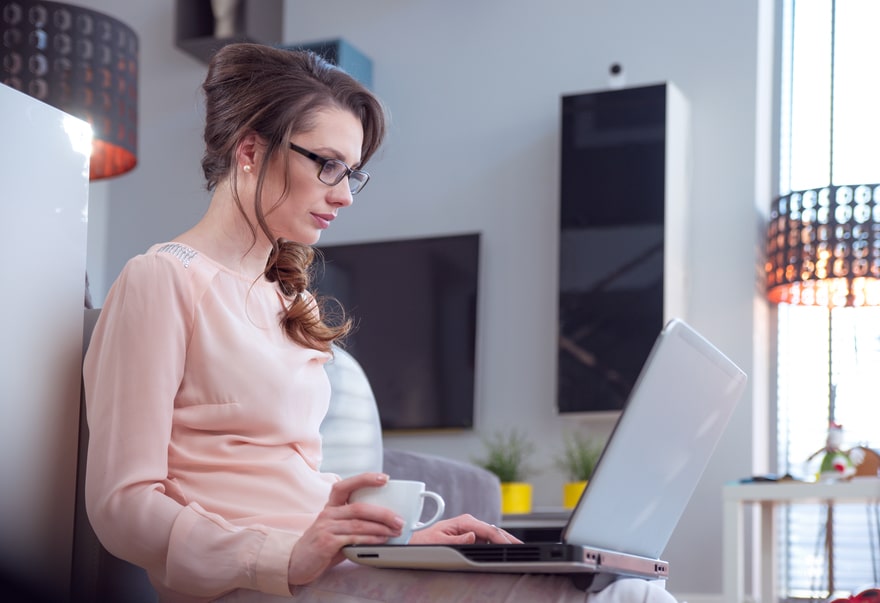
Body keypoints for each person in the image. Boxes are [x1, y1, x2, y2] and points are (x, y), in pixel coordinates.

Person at [83, 43, 678, 603]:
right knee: (623, 595)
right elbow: (122, 506)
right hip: (261, 581)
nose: (345, 197)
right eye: (329, 165)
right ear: (250, 151)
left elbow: (291, 482)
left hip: (332, 563)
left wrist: (403, 541)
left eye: (353, 173)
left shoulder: (288, 300)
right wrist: (287, 555)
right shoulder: (161, 279)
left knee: (616, 586)